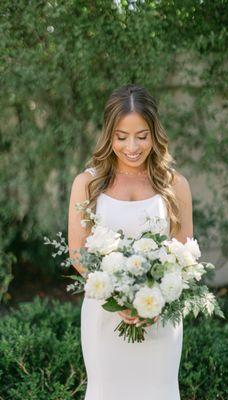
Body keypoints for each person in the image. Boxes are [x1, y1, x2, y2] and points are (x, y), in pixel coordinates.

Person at [68, 84, 193, 400]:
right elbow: (78, 254)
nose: (132, 146)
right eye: (121, 137)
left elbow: (183, 255)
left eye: (142, 135)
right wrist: (122, 298)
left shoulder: (175, 186)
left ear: (155, 133)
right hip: (105, 317)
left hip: (160, 318)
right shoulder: (88, 184)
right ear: (108, 135)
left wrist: (153, 300)